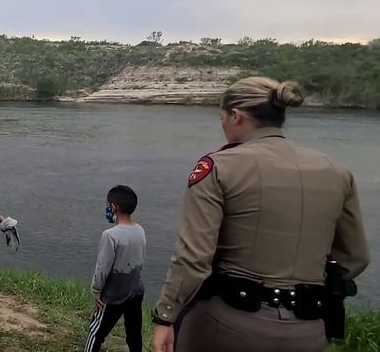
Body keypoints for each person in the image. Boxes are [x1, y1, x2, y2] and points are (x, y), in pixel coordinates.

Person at [151, 77, 370, 352]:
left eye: (222, 117)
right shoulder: (336, 171)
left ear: (235, 115)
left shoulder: (219, 167)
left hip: (227, 325)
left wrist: (164, 316)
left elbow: (193, 259)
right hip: (309, 329)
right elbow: (356, 257)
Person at [85, 185, 145, 352]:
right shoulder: (140, 230)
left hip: (113, 295)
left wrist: (96, 292)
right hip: (136, 291)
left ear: (113, 207)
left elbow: (102, 268)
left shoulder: (110, 235)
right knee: (134, 333)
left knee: (96, 332)